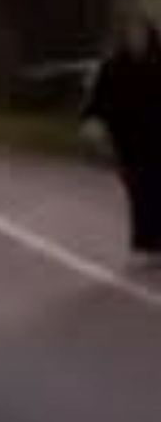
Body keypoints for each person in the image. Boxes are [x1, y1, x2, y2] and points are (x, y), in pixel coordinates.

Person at [84, 16, 161, 261]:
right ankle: (145, 243)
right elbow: (98, 97)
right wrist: (92, 121)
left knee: (155, 188)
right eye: (131, 35)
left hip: (156, 135)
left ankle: (153, 241)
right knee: (138, 191)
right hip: (127, 139)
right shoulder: (113, 66)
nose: (136, 39)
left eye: (141, 34)